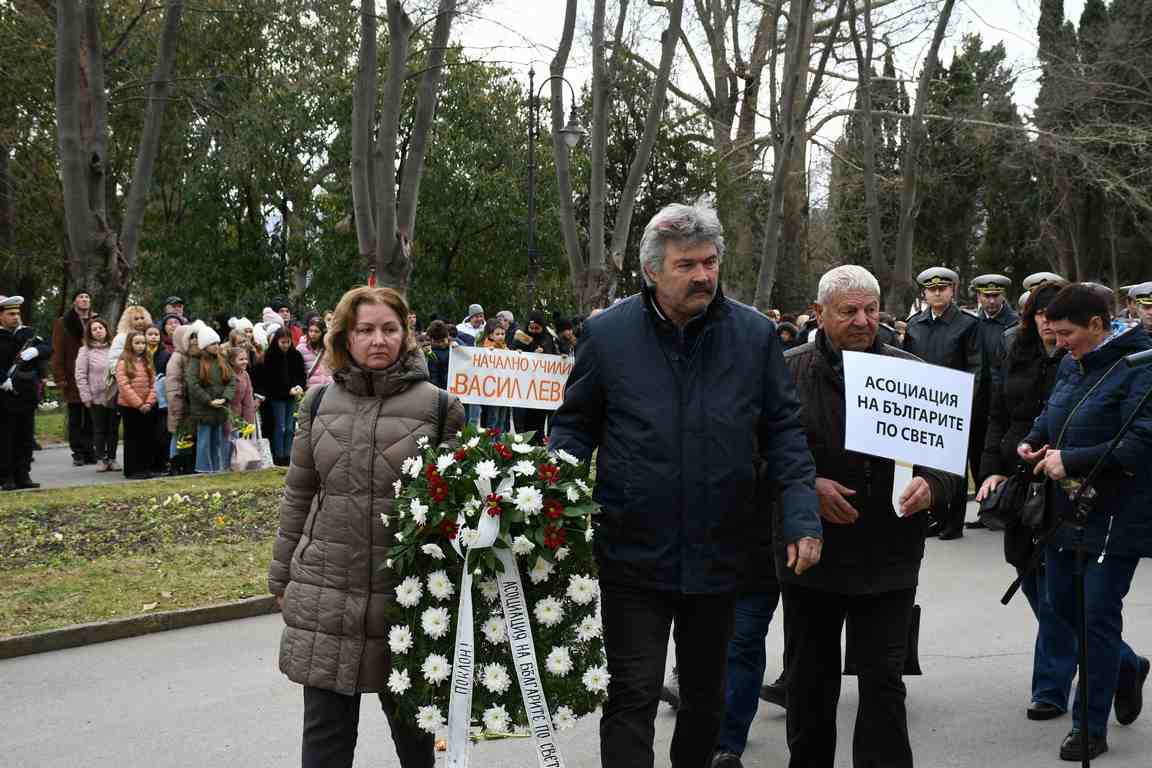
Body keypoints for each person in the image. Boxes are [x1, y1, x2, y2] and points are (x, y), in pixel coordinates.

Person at [548, 203, 822, 768]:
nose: (703, 275)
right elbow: (575, 424)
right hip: (632, 553)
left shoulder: (753, 335)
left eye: (710, 262)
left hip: (721, 550)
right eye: (687, 265)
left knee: (705, 698)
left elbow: (784, 434)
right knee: (632, 694)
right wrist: (556, 489)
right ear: (652, 270)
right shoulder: (608, 334)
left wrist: (801, 515)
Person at [268, 286, 464, 768]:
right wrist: (281, 575)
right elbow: (299, 493)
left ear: (406, 334)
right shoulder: (317, 403)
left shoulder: (441, 407)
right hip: (326, 589)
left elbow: (455, 507)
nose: (379, 339)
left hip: (406, 596)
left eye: (389, 329)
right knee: (325, 739)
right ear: (345, 336)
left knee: (414, 739)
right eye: (366, 330)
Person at [771, 265, 956, 768]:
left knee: (883, 682)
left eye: (871, 310)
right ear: (819, 313)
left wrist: (932, 486)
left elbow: (946, 461)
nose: (862, 321)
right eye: (848, 311)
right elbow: (752, 455)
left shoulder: (912, 373)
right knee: (810, 681)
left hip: (889, 554)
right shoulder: (785, 372)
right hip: (811, 554)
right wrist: (808, 488)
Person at [1017, 283, 1152, 761]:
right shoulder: (1073, 361)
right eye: (1054, 334)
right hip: (1066, 509)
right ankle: (1126, 667)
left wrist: (1070, 459)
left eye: (1066, 334)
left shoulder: (1141, 366)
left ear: (1098, 325)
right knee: (1061, 605)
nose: (1059, 344)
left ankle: (1088, 727)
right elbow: (1054, 412)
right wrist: (1033, 440)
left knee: (1095, 613)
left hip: (1117, 512)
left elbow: (1140, 443)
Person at [975, 281, 1073, 722]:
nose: (1048, 325)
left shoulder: (1080, 358)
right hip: (1016, 481)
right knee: (1028, 574)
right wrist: (990, 469)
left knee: (1056, 592)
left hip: (1065, 482)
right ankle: (1121, 662)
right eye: (1040, 316)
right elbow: (997, 415)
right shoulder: (1015, 351)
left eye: (1055, 317)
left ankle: (1050, 689)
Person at [901, 267, 979, 539]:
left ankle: (953, 522)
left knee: (954, 464)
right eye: (931, 289)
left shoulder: (968, 324)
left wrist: (966, 404)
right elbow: (905, 365)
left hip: (953, 406)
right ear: (924, 293)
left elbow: (976, 368)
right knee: (925, 463)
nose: (936, 293)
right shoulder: (915, 325)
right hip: (922, 406)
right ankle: (934, 517)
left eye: (942, 288)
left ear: (952, 291)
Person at [964, 274, 1019, 530]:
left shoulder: (1015, 323)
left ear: (1003, 295)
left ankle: (1007, 505)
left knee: (1005, 454)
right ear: (978, 296)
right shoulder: (973, 324)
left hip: (1005, 399)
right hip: (979, 399)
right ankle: (986, 507)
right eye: (986, 296)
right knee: (979, 454)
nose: (991, 300)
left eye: (996, 295)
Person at [0, 296, 51, 490]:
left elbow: (48, 347)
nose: (15, 317)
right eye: (11, 314)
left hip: (25, 394)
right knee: (6, 437)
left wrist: (36, 352)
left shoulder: (27, 333)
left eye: (17, 313)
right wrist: (2, 379)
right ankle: (6, 477)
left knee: (25, 436)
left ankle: (23, 475)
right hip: (4, 395)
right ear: (1, 316)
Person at [52, 289, 97, 466]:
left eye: (87, 297)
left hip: (94, 374)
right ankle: (77, 452)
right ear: (74, 302)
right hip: (72, 374)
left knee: (92, 416)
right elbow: (57, 350)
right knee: (76, 416)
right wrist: (60, 376)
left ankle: (90, 450)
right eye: (81, 297)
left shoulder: (96, 320)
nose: (84, 300)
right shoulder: (63, 322)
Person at [185, 325, 235, 473]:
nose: (216, 346)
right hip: (204, 409)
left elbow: (232, 380)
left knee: (216, 441)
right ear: (204, 345)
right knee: (204, 441)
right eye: (213, 343)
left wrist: (225, 398)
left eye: (217, 343)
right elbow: (193, 385)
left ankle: (215, 468)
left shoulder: (222, 360)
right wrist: (208, 400)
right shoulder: (196, 361)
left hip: (219, 408)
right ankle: (203, 469)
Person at [75, 317, 119, 472]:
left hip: (114, 394)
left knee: (113, 429)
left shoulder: (115, 348)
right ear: (90, 333)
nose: (98, 331)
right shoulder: (85, 351)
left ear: (106, 330)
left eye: (101, 328)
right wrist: (85, 396)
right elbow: (80, 375)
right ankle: (101, 458)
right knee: (100, 429)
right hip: (96, 396)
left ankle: (112, 458)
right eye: (94, 329)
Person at [259, 327, 307, 466]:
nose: (285, 345)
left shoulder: (295, 355)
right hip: (277, 397)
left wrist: (299, 386)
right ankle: (279, 456)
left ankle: (288, 455)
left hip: (292, 396)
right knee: (280, 427)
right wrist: (287, 390)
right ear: (277, 341)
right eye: (282, 342)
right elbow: (270, 380)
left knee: (290, 427)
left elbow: (301, 374)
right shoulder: (270, 356)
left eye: (288, 342)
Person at [114, 330, 158, 480]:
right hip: (129, 407)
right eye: (137, 343)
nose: (140, 346)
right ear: (130, 344)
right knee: (132, 439)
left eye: (143, 343)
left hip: (147, 405)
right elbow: (124, 386)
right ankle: (132, 470)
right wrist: (139, 404)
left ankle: (145, 468)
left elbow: (154, 384)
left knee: (146, 438)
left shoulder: (147, 361)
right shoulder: (123, 362)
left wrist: (149, 402)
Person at [510, 311, 557, 439]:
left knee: (538, 415)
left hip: (539, 386)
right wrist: (519, 352)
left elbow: (552, 356)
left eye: (537, 328)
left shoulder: (547, 338)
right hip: (522, 385)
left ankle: (538, 438)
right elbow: (511, 352)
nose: (534, 331)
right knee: (521, 415)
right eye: (531, 328)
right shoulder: (520, 336)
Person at [165, 321, 202, 475]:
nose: (194, 340)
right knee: (178, 435)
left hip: (192, 404)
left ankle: (187, 464)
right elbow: (173, 384)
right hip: (180, 403)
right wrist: (177, 405)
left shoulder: (194, 357)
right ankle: (174, 463)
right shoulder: (177, 358)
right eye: (190, 337)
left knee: (188, 435)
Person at [108, 305, 154, 374]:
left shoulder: (150, 335)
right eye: (136, 319)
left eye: (142, 318)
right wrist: (122, 375)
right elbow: (113, 360)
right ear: (128, 321)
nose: (140, 321)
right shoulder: (121, 337)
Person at [297, 318, 332, 389]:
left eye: (316, 331)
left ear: (322, 333)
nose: (313, 334)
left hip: (328, 388)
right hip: (311, 389)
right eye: (310, 331)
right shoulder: (301, 348)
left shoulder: (329, 347)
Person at [424, 319, 451, 390]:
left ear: (447, 336)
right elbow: (434, 376)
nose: (441, 344)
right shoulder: (431, 354)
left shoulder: (454, 346)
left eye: (443, 341)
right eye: (437, 342)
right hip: (442, 389)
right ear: (431, 340)